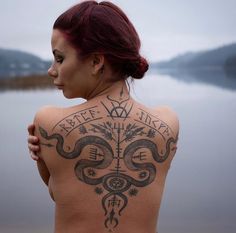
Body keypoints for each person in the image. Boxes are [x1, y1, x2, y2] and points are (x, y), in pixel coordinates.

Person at [27, 1, 179, 233]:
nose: (51, 70)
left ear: (96, 62)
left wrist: (43, 158)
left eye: (59, 58)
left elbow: (60, 195)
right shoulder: (167, 123)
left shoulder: (48, 121)